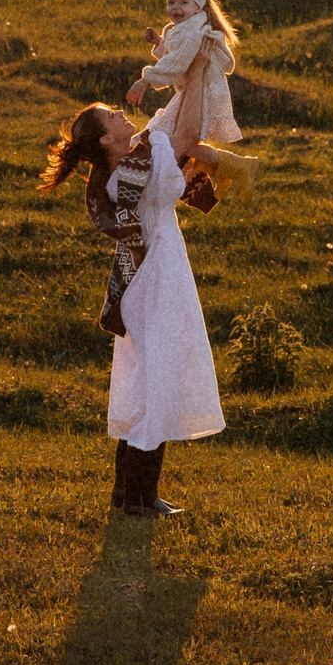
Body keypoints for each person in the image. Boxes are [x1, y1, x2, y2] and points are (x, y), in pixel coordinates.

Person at [38, 102, 226, 517]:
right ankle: (141, 498)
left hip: (151, 277)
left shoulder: (127, 167)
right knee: (156, 380)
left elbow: (167, 135)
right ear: (107, 139)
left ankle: (126, 492)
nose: (123, 115)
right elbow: (171, 133)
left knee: (146, 381)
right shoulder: (132, 170)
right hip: (154, 281)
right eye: (113, 117)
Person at [127, 0, 260, 202]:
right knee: (180, 142)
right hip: (194, 90)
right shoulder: (188, 26)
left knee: (174, 142)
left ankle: (236, 168)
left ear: (198, 5)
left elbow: (177, 63)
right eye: (171, 2)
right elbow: (178, 55)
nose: (175, 8)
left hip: (202, 92)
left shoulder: (192, 30)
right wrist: (160, 42)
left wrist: (145, 79)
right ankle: (231, 169)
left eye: (183, 2)